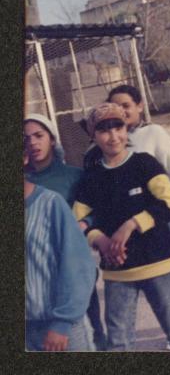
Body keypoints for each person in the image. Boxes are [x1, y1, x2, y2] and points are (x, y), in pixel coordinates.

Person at [73, 103, 170, 350]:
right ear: (93, 135)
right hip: (117, 271)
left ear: (126, 128)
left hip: (158, 263)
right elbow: (78, 221)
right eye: (104, 130)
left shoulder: (144, 163)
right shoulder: (91, 177)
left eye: (118, 127)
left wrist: (131, 224)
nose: (113, 136)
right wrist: (101, 240)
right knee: (119, 343)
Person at [106, 84, 170, 346]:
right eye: (116, 107)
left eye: (126, 105)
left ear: (140, 106)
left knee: (166, 271)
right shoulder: (107, 140)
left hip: (158, 216)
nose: (122, 111)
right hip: (122, 223)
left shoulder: (152, 134)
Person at [23, 113, 107, 350]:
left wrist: (85, 223)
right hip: (37, 274)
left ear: (52, 139)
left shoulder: (73, 176)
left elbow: (99, 208)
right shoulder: (26, 181)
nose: (33, 142)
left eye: (39, 136)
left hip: (71, 263)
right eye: (27, 139)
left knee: (88, 324)